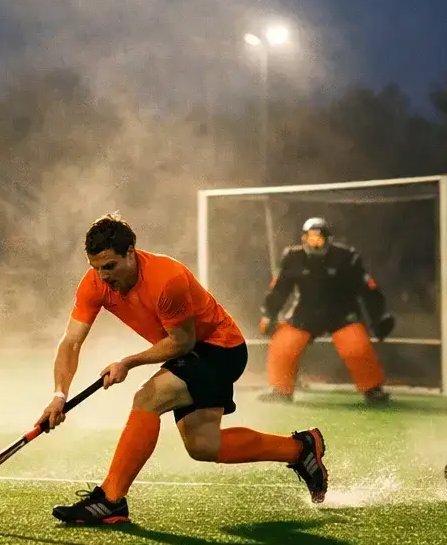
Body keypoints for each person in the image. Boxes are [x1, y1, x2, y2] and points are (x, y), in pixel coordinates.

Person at [42, 214, 328, 525]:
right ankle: (300, 449)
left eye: (109, 266)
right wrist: (59, 395)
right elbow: (71, 341)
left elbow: (182, 342)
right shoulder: (94, 284)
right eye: (96, 268)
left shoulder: (167, 279)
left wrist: (128, 362)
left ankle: (111, 500)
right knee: (203, 445)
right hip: (190, 354)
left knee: (147, 398)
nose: (103, 276)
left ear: (130, 253)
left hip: (220, 349)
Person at [258, 217, 395, 405]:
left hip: (341, 311)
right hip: (306, 311)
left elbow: (367, 288)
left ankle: (373, 390)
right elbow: (280, 289)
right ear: (303, 239)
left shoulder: (347, 257)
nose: (314, 244)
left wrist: (378, 317)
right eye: (310, 239)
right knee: (283, 345)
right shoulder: (293, 257)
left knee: (358, 348)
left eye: (319, 239)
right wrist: (268, 313)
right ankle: (281, 390)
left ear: (328, 240)